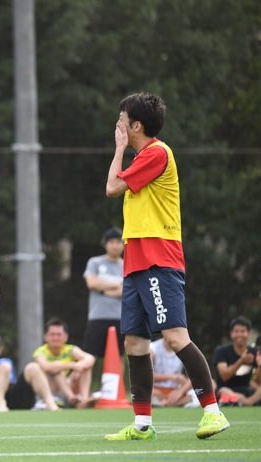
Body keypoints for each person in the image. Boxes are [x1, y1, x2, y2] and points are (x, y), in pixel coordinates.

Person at [103, 92, 228, 440]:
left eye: (122, 120)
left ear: (136, 125)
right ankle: (142, 424)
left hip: (158, 259)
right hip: (136, 260)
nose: (118, 125)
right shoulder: (143, 158)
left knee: (174, 337)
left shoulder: (156, 153)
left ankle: (213, 412)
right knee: (135, 343)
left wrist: (118, 149)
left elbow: (112, 187)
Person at [83, 227, 125, 372]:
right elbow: (91, 283)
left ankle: (116, 385)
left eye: (118, 242)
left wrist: (102, 288)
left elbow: (127, 290)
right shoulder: (95, 262)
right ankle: (85, 386)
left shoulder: (127, 265)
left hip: (120, 318)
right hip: (98, 316)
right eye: (111, 242)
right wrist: (117, 285)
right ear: (105, 244)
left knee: (118, 356)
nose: (115, 245)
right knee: (89, 356)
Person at [33, 318, 95, 408]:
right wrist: (72, 365)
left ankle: (83, 400)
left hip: (66, 385)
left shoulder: (69, 349)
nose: (55, 338)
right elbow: (47, 367)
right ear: (45, 337)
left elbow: (90, 358)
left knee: (85, 368)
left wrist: (78, 367)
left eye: (59, 335)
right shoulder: (40, 352)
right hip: (49, 389)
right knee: (56, 368)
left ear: (66, 337)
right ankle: (71, 398)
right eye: (52, 335)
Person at [213, 317, 261, 406]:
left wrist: (260, 366)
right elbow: (224, 376)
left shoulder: (254, 352)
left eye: (243, 331)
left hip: (246, 390)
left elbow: (259, 382)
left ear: (248, 333)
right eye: (236, 331)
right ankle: (248, 402)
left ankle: (243, 401)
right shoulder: (221, 351)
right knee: (225, 393)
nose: (239, 334)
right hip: (226, 390)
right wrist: (241, 361)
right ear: (231, 334)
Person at [150, 338, 197, 407]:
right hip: (155, 390)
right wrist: (172, 377)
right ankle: (171, 403)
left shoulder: (185, 348)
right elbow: (144, 376)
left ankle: (167, 403)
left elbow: (196, 376)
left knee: (209, 385)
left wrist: (181, 390)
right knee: (142, 391)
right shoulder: (152, 348)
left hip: (175, 391)